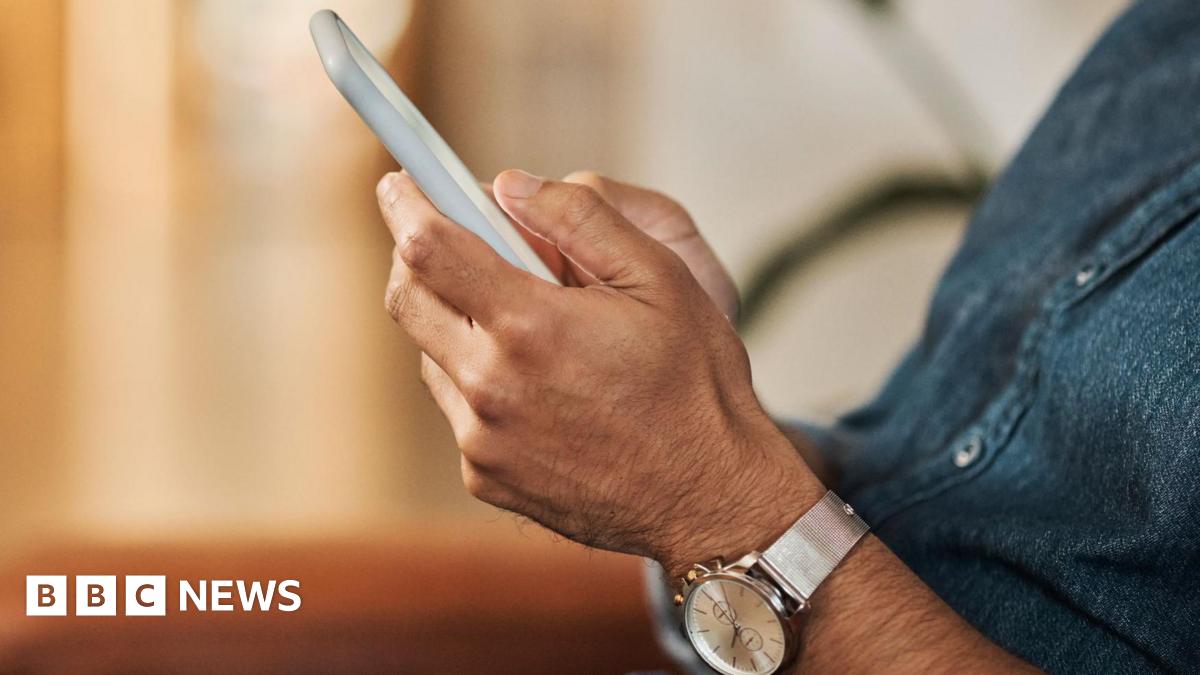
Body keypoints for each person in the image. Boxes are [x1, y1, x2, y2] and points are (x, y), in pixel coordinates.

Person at [372, 0, 1198, 671]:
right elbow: (919, 465)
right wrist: (699, 404)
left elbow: (737, 509)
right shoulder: (1164, 42)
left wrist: (711, 498)